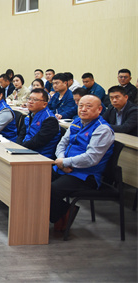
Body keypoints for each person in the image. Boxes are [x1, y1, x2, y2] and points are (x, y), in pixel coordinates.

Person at [51, 95, 114, 230]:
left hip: (86, 175)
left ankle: (64, 214)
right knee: (36, 181)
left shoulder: (102, 129)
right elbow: (62, 144)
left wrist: (64, 162)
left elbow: (91, 158)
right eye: (80, 106)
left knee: (52, 190)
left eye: (88, 106)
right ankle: (58, 214)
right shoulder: (77, 122)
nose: (83, 109)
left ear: (99, 109)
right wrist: (61, 161)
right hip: (65, 167)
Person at [16, 88, 61, 158]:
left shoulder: (50, 120)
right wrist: (17, 146)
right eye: (29, 99)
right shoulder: (30, 115)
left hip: (40, 156)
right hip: (26, 150)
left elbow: (37, 142)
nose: (30, 102)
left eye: (35, 100)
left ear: (44, 104)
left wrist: (20, 147)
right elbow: (21, 134)